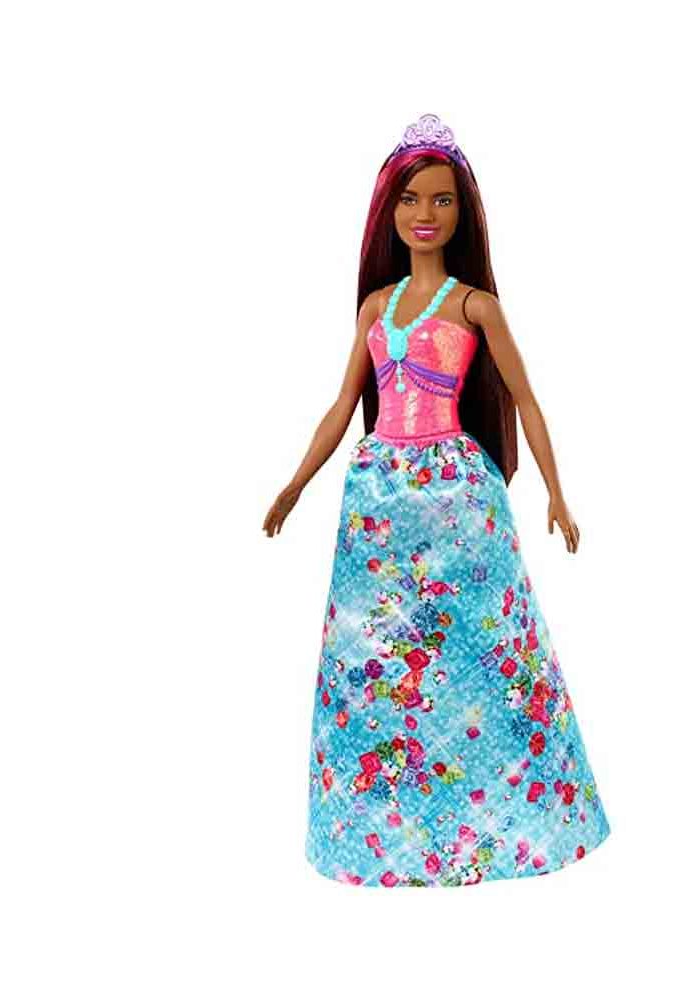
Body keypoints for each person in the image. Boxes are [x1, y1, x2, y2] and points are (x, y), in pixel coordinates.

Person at [264, 113, 611, 887]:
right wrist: (296, 482)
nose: (426, 214)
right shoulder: (375, 307)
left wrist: (556, 495)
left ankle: (511, 820)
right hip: (380, 500)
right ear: (388, 210)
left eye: (442, 199)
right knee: (373, 658)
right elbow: (343, 402)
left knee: (481, 650)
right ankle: (380, 833)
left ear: (463, 211)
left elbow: (525, 400)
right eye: (411, 199)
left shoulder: (474, 306)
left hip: (455, 498)